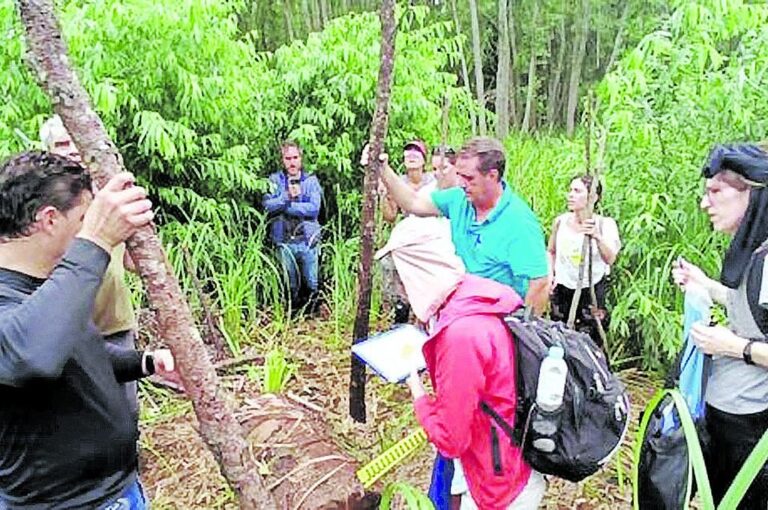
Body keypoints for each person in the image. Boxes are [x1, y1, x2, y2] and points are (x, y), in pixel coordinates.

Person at [0, 151, 176, 508]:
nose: (88, 228)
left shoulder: (48, 283)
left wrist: (145, 362)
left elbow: (81, 350)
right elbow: (30, 355)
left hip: (117, 491)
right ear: (50, 220)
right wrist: (96, 241)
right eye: (84, 219)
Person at [376, 217, 546, 509]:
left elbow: (450, 439)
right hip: (510, 454)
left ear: (416, 275)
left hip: (497, 481)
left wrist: (418, 393)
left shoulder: (460, 335)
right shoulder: (476, 293)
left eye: (402, 280)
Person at [672, 143, 768, 509]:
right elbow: (755, 312)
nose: (704, 203)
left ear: (754, 194)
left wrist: (733, 347)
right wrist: (706, 285)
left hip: (752, 432)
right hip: (728, 419)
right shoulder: (754, 251)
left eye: (716, 191)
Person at [374, 136, 549, 315]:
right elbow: (414, 203)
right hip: (467, 304)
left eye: (469, 178)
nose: (461, 184)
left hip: (501, 314)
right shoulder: (459, 199)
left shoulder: (519, 221)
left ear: (492, 175)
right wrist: (383, 169)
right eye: (459, 176)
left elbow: (540, 282)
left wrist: (522, 326)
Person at [40, 115, 140, 416]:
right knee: (79, 413)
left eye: (75, 141)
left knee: (126, 409)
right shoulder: (41, 205)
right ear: (48, 151)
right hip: (69, 329)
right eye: (61, 144)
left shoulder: (111, 199)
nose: (71, 149)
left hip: (114, 322)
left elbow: (133, 262)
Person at [368, 140, 448, 324]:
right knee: (391, 266)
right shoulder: (398, 182)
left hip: (432, 235)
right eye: (408, 153)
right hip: (408, 236)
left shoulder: (434, 181)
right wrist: (383, 195)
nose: (411, 156)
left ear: (424, 160)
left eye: (416, 152)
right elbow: (390, 216)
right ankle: (400, 312)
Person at [548, 175, 621, 348]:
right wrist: (551, 275)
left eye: (577, 191)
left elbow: (610, 259)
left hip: (592, 290)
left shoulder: (605, 225)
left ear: (593, 197)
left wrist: (597, 236)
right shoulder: (560, 222)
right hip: (563, 289)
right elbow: (551, 251)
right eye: (570, 190)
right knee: (559, 337)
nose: (571, 195)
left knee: (590, 341)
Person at [263, 140, 323, 312]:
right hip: (284, 241)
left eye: (295, 157)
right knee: (290, 284)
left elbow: (314, 209)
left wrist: (286, 207)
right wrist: (286, 197)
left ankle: (313, 315)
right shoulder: (274, 180)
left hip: (307, 241)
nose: (292, 162)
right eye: (288, 158)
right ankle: (294, 316)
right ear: (282, 160)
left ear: (301, 158)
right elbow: (267, 206)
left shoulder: (310, 181)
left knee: (311, 282)